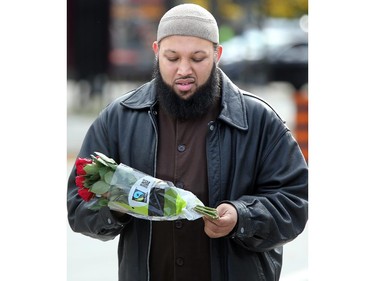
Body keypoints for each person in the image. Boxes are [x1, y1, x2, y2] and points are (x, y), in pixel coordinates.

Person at [67, 3, 308, 281]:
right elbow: (78, 205)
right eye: (172, 58)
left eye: (197, 58)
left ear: (217, 54)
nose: (184, 70)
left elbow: (294, 201)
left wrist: (241, 217)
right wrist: (121, 204)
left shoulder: (258, 120)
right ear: (156, 52)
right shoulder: (118, 118)